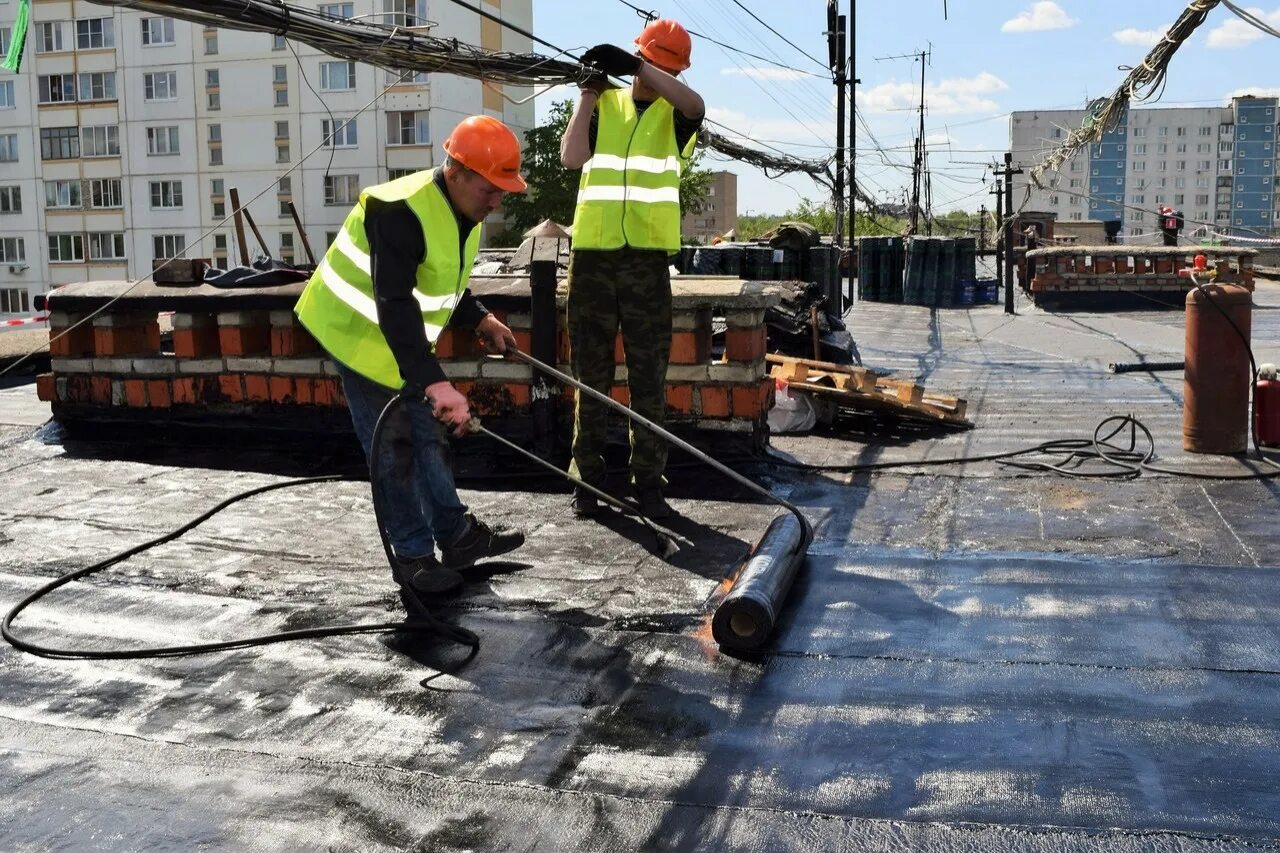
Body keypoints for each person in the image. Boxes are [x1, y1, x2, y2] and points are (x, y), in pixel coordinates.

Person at [294, 115, 527, 614]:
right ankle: (414, 555)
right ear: (458, 171)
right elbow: (395, 302)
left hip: (397, 339)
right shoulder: (398, 209)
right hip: (356, 332)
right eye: (492, 189)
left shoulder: (461, 209)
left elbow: (439, 279)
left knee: (429, 435)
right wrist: (436, 384)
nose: (498, 201)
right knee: (395, 446)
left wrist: (479, 317)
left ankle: (457, 536)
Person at [560, 18, 706, 519]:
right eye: (651, 62)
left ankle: (648, 483)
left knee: (649, 380)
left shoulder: (674, 113)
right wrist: (588, 92)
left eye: (663, 67)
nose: (652, 74)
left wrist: (640, 66)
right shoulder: (605, 105)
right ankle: (588, 480)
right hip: (594, 259)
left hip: (646, 262)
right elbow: (571, 157)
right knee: (590, 377)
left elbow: (696, 105)